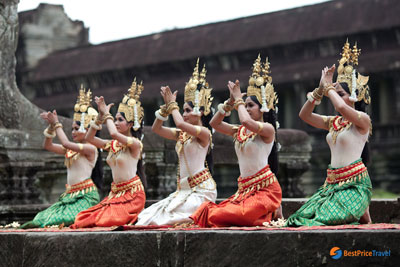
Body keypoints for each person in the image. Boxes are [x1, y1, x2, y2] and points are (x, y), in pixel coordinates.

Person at [286, 40, 372, 226]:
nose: (336, 95)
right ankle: (365, 217)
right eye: (336, 92)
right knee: (299, 219)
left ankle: (362, 211)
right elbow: (305, 115)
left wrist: (329, 86)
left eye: (341, 92)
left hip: (354, 185)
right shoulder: (334, 122)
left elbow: (339, 105)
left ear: (354, 96)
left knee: (324, 220)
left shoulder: (362, 120)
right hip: (331, 186)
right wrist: (319, 89)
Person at [191, 55, 282, 227]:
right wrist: (229, 103)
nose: (247, 109)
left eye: (250, 106)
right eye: (246, 106)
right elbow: (214, 123)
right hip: (245, 191)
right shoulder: (239, 131)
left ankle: (268, 211)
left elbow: (247, 121)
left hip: (266, 190)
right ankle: (266, 213)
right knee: (221, 213)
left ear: (262, 107)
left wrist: (239, 100)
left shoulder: (268, 129)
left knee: (243, 216)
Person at [136, 59, 217, 226]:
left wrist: (173, 105)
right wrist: (165, 110)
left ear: (201, 111)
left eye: (187, 110)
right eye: (183, 110)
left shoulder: (204, 133)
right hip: (184, 191)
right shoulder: (182, 134)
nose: (184, 113)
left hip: (201, 191)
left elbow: (180, 123)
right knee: (147, 216)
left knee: (166, 220)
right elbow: (156, 129)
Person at [21, 87, 100, 228]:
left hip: (85, 197)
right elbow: (48, 145)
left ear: (88, 130)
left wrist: (57, 123)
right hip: (69, 196)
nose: (74, 132)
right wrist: (51, 127)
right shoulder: (72, 150)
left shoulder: (90, 149)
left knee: (57, 222)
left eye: (77, 128)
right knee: (40, 219)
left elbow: (65, 143)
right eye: (73, 129)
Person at [71, 78, 146, 228]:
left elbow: (112, 133)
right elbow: (89, 137)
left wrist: (107, 114)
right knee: (83, 219)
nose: (116, 122)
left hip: (133, 196)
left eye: (120, 119)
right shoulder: (113, 145)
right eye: (116, 119)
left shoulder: (135, 145)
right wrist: (99, 118)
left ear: (130, 124)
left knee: (106, 222)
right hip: (115, 195)